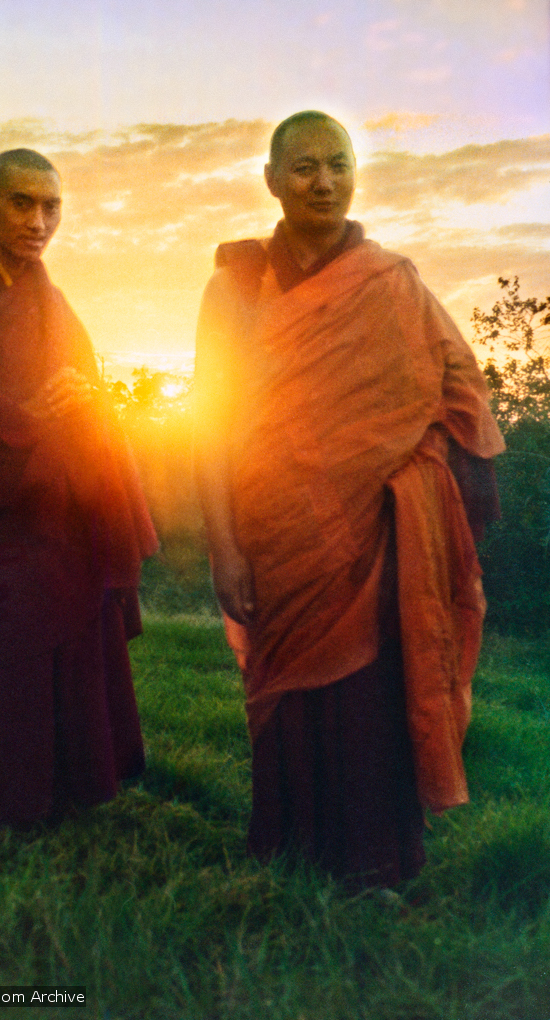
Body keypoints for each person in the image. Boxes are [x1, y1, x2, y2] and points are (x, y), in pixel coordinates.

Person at [195, 111, 505, 887]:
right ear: (271, 180)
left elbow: (460, 389)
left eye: (338, 164)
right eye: (304, 167)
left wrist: (431, 478)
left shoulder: (393, 282)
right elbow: (210, 422)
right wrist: (225, 547)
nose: (323, 181)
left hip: (377, 534)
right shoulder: (233, 290)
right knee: (287, 692)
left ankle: (376, 861)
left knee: (371, 700)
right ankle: (289, 852)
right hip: (274, 529)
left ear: (356, 175)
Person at [0, 148, 158, 826]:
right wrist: (28, 421)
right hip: (1, 518)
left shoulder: (49, 298)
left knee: (80, 638)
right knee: (14, 646)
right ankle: (16, 804)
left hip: (66, 508)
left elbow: (89, 394)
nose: (39, 220)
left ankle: (85, 782)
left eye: (52, 206)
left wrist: (87, 407)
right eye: (22, 202)